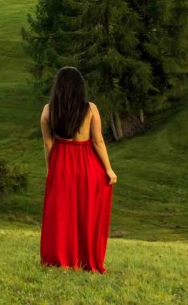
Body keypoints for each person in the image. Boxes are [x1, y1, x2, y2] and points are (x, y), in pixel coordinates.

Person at [39, 66, 116, 272]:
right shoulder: (90, 109)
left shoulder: (48, 110)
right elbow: (98, 142)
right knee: (87, 214)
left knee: (63, 214)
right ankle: (86, 259)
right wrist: (108, 169)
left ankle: (62, 259)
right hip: (88, 164)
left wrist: (51, 169)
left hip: (61, 164)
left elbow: (48, 145)